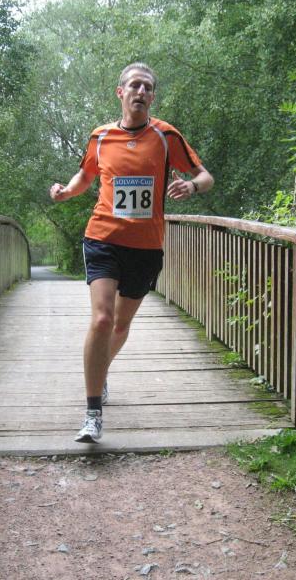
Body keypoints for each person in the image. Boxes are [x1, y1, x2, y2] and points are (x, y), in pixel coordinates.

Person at [49, 62, 214, 442]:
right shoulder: (101, 137)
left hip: (146, 245)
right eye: (135, 85)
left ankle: (100, 370)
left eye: (148, 87)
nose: (141, 91)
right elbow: (86, 176)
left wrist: (192, 187)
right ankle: (93, 412)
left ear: (152, 97)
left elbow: (205, 175)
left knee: (121, 325)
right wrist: (66, 192)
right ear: (120, 92)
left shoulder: (166, 136)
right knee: (102, 320)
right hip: (102, 237)